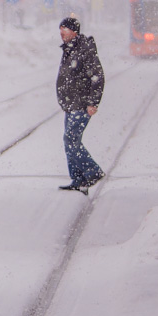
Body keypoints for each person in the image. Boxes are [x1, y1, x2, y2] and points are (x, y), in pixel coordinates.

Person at [55, 16, 104, 194]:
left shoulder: (84, 49)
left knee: (71, 140)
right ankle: (78, 178)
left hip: (82, 104)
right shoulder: (69, 49)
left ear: (74, 32)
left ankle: (93, 171)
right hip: (71, 104)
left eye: (64, 30)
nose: (61, 33)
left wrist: (93, 102)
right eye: (60, 29)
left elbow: (98, 77)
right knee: (69, 140)